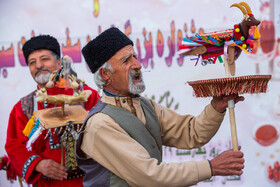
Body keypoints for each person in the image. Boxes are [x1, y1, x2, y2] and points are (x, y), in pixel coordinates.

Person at [76, 27, 245, 187]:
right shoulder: (100, 124)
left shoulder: (145, 106)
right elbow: (150, 175)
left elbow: (191, 133)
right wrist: (211, 167)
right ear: (105, 75)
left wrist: (216, 107)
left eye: (134, 57)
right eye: (126, 60)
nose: (137, 65)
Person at [5, 35, 100, 186]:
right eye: (32, 62)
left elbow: (104, 133)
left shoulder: (86, 96)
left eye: (44, 59)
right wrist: (38, 164)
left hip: (88, 182)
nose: (38, 65)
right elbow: (14, 144)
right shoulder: (24, 106)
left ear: (58, 62)